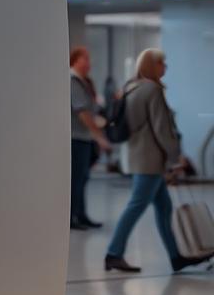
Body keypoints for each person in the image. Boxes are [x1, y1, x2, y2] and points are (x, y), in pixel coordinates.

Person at [105, 48, 213, 274]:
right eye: (162, 63)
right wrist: (176, 157)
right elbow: (162, 129)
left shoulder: (130, 87)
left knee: (164, 208)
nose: (166, 67)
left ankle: (176, 257)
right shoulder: (152, 90)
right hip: (150, 160)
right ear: (152, 66)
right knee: (136, 205)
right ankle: (114, 253)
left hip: (137, 156)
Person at [70, 47, 110, 230]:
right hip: (76, 138)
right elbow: (82, 112)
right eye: (85, 58)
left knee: (83, 178)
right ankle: (72, 217)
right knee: (77, 179)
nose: (89, 63)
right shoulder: (73, 81)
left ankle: (81, 214)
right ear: (75, 60)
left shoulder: (84, 82)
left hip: (84, 138)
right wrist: (98, 136)